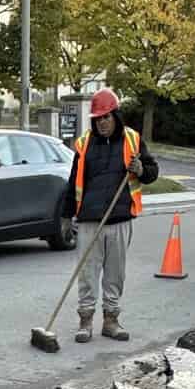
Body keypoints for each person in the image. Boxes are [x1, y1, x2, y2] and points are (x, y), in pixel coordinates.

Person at [69, 89, 157, 342]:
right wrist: (67, 215)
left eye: (106, 118)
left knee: (114, 274)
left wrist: (141, 168)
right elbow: (73, 180)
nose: (102, 123)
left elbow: (152, 172)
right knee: (87, 273)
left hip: (119, 218)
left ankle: (111, 320)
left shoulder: (133, 140)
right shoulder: (85, 143)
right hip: (89, 219)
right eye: (98, 119)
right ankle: (85, 321)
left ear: (116, 116)